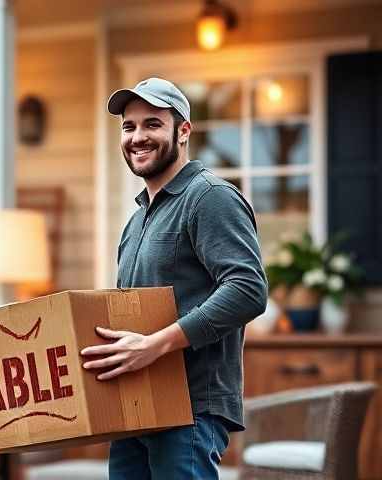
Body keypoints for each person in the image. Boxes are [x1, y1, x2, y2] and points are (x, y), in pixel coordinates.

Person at [80, 77, 268, 479]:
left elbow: (248, 290)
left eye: (152, 124)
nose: (137, 137)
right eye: (129, 127)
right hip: (135, 404)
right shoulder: (136, 221)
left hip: (189, 407)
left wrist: (154, 346)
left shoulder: (210, 197)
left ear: (183, 131)